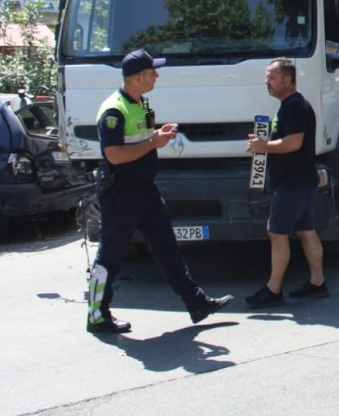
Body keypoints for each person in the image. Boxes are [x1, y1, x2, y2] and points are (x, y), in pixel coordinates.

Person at [87, 50, 232, 334]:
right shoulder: (114, 110)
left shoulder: (139, 102)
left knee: (168, 248)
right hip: (121, 194)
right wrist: (154, 142)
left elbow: (141, 139)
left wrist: (158, 136)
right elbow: (115, 155)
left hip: (145, 192)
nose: (157, 75)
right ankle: (97, 315)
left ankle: (197, 303)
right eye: (153, 72)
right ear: (138, 77)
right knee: (110, 256)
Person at [245, 58, 329, 308]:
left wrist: (263, 146)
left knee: (277, 232)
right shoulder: (291, 105)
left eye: (271, 77)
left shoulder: (294, 106)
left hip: (293, 183)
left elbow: (294, 143)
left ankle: (273, 289)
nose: (266, 82)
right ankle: (317, 283)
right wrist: (265, 142)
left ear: (287, 79)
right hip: (299, 181)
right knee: (305, 231)